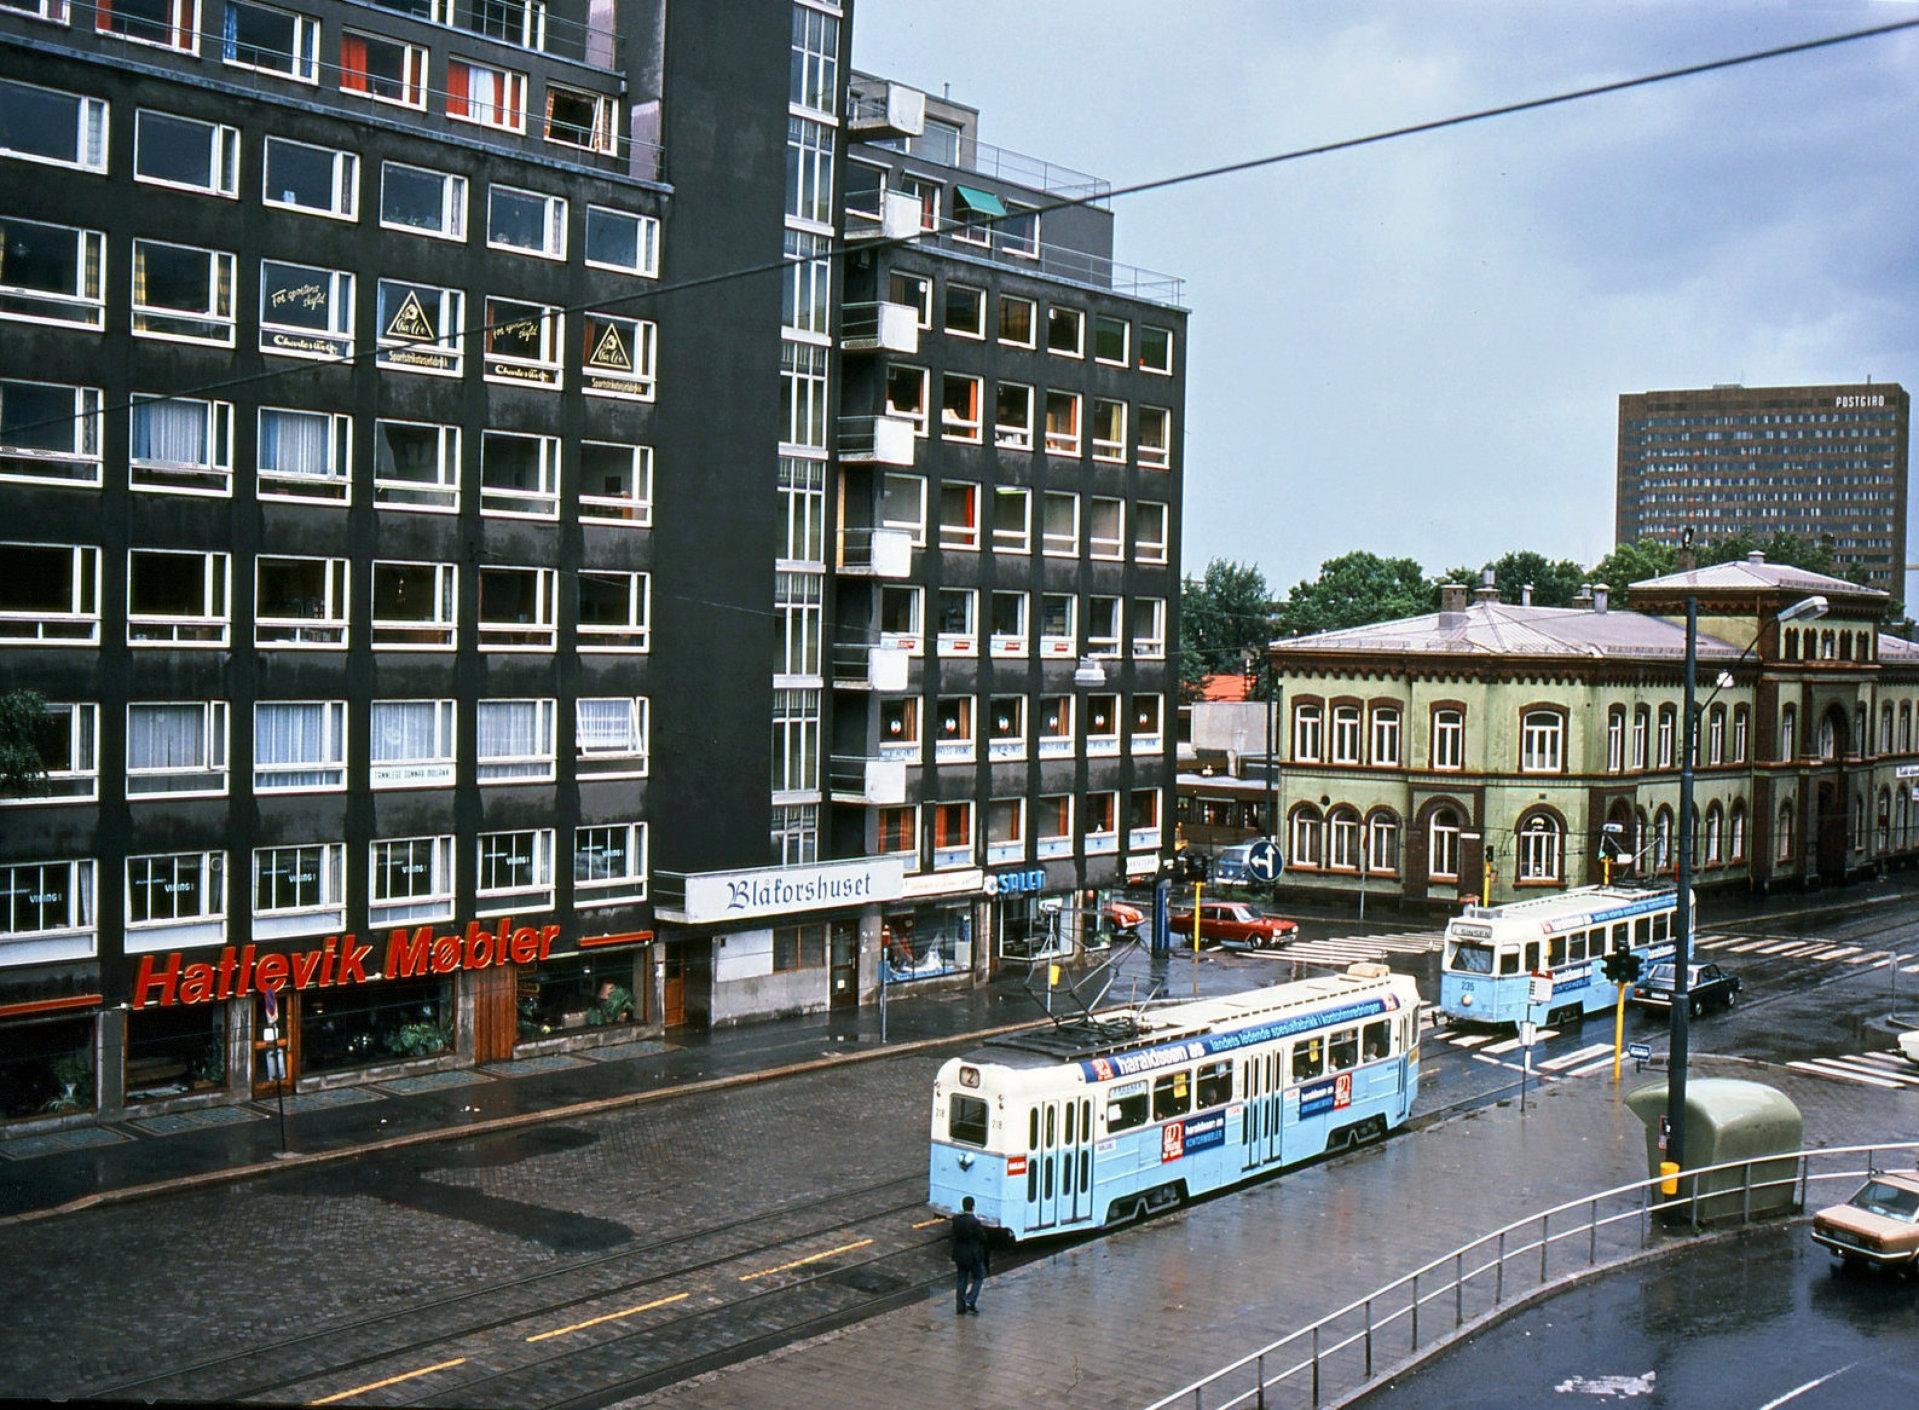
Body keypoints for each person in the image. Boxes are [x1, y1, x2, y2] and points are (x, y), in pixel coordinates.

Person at [950, 1196, 988, 1315]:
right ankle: (970, 1299)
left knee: (962, 1279)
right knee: (979, 1276)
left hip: (959, 1255)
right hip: (972, 1256)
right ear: (973, 1207)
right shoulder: (974, 1222)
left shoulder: (956, 1219)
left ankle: (960, 1307)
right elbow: (983, 1238)